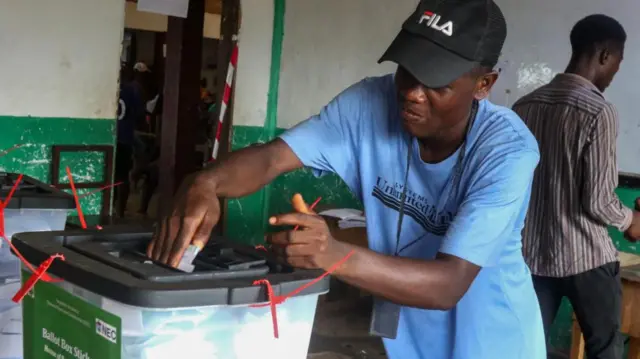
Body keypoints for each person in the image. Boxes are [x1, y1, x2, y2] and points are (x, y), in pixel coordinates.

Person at [148, 0, 546, 358]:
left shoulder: (506, 152)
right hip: (409, 342)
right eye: (406, 71)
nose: (412, 93)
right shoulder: (368, 104)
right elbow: (271, 158)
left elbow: (448, 285)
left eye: (436, 82)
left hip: (494, 343)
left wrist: (333, 253)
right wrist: (207, 183)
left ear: (483, 85)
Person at [513, 14, 640, 359]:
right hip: (587, 259)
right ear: (604, 56)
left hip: (532, 257)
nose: (615, 73)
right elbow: (598, 202)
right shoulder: (599, 111)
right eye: (617, 62)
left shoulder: (523, 107)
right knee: (603, 350)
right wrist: (631, 222)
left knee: (527, 348)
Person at [115, 65, 145, 218]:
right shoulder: (133, 90)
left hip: (110, 138)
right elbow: (140, 114)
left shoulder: (111, 87)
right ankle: (120, 212)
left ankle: (111, 209)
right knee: (122, 178)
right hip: (125, 138)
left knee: (111, 176)